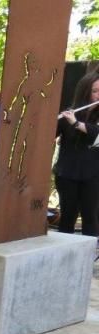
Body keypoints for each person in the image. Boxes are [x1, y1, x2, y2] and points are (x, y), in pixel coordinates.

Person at [55, 72, 99, 238]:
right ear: (85, 92)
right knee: (67, 217)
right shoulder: (69, 114)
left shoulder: (75, 119)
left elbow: (96, 134)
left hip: (93, 175)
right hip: (67, 173)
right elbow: (48, 136)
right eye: (95, 91)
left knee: (91, 217)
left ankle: (88, 259)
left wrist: (76, 124)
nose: (98, 95)